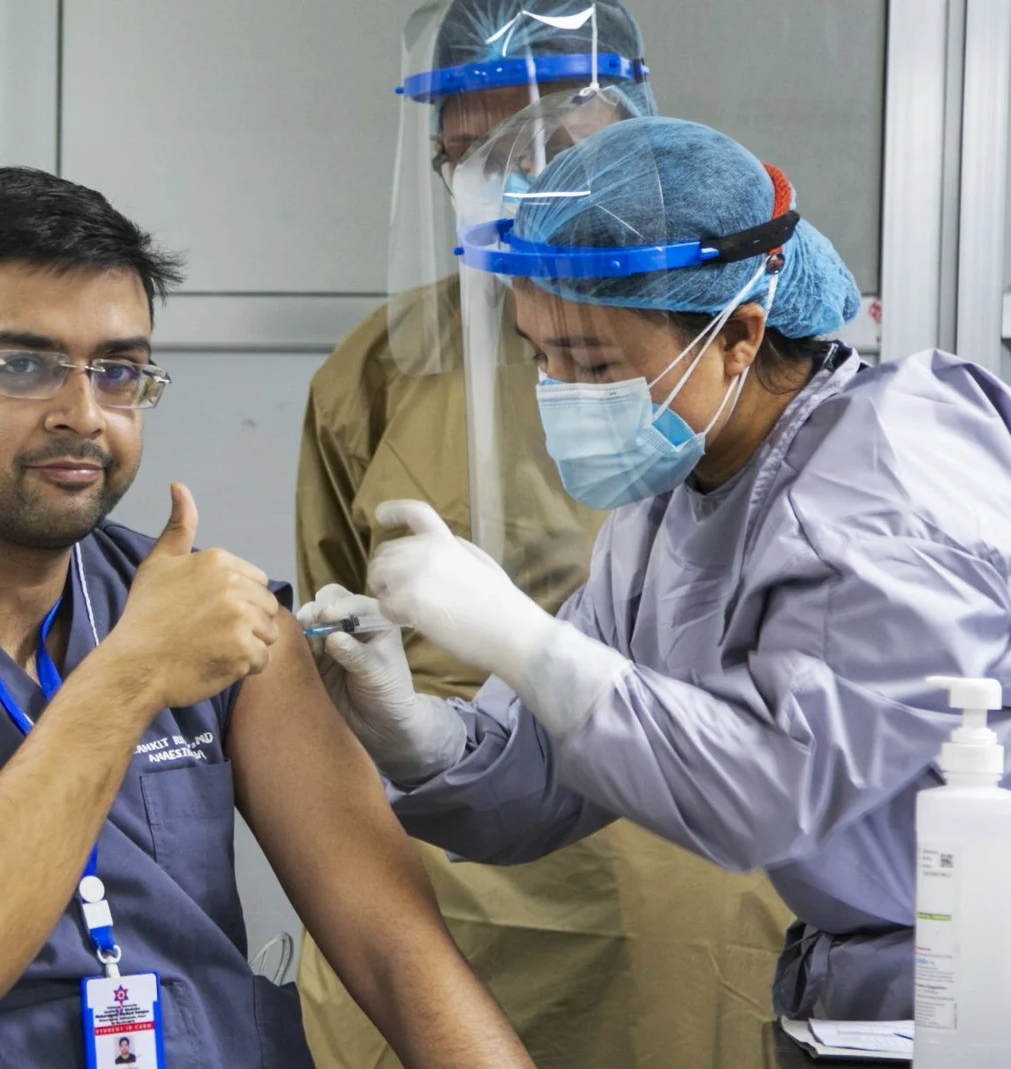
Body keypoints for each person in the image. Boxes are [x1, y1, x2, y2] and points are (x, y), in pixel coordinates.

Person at [0, 166, 534, 1068]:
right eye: (23, 366)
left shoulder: (200, 607)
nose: (84, 414)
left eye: (118, 371)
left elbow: (399, 953)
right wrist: (131, 675)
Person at [304, 115, 1011, 1022]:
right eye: (542, 358)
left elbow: (771, 792)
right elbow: (564, 766)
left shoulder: (893, 485)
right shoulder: (670, 505)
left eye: (592, 360)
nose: (561, 390)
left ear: (740, 334)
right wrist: (415, 732)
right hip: (884, 986)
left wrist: (519, 635)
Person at [296, 3, 789, 1066]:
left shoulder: (738, 346)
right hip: (446, 902)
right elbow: (323, 661)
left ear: (629, 126)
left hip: (685, 900)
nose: (506, 180)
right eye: (466, 157)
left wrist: (523, 638)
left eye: (540, 146)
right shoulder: (381, 371)